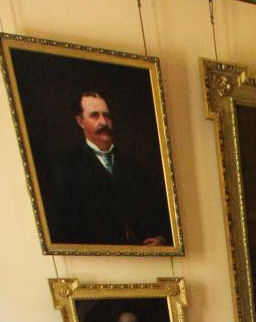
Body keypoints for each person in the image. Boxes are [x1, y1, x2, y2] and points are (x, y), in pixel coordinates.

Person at [52, 90, 171, 247]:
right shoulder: (69, 167)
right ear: (81, 122)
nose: (103, 122)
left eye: (106, 116)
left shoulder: (133, 167)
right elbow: (67, 224)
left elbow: (156, 210)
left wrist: (162, 239)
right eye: (95, 116)